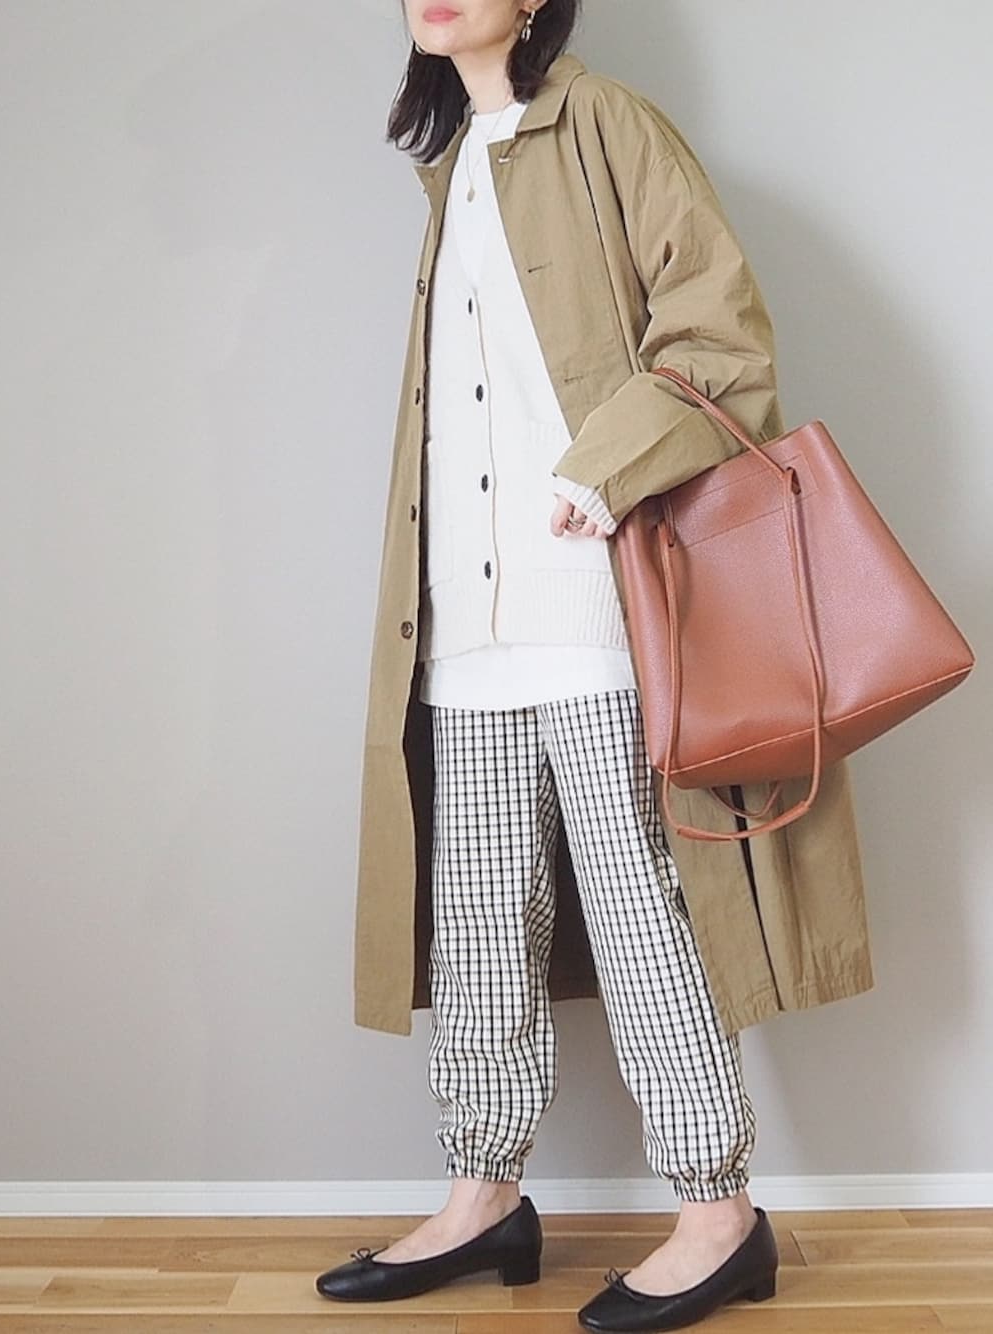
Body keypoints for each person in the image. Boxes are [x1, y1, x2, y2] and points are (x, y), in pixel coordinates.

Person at [318, 2, 781, 1327]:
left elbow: (721, 338)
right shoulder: (453, 162)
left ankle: (720, 1211)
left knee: (643, 911)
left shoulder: (608, 126)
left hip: (592, 607)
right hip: (463, 619)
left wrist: (603, 470)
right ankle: (485, 1194)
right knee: (479, 922)